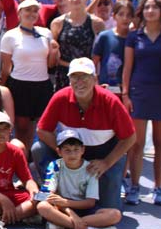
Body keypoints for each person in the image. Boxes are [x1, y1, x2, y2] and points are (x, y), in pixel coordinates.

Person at [35, 57, 137, 213]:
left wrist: (106, 162)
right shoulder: (60, 97)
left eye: (85, 77)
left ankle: (78, 212)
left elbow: (130, 137)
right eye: (75, 77)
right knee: (38, 149)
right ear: (69, 80)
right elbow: (42, 130)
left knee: (111, 211)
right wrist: (62, 150)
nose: (79, 81)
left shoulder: (111, 101)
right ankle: (53, 192)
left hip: (103, 155)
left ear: (94, 79)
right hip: (71, 151)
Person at [121, 0, 161, 206]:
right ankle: (134, 187)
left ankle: (158, 188)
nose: (150, 11)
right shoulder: (134, 36)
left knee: (160, 143)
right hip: (139, 93)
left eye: (154, 7)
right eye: (146, 7)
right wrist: (126, 94)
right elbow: (127, 68)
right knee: (136, 144)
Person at [36, 129, 122, 229]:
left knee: (115, 214)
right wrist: (70, 211)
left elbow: (90, 203)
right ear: (59, 151)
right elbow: (48, 196)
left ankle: (62, 226)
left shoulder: (90, 169)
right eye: (67, 150)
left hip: (84, 209)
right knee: (42, 206)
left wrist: (67, 204)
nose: (72, 154)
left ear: (83, 150)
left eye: (76, 150)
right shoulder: (55, 166)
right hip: (62, 209)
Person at [0, 0, 58, 151]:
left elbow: (51, 64)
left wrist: (55, 51)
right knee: (21, 129)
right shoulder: (10, 36)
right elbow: (6, 68)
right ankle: (21, 162)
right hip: (19, 86)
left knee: (42, 128)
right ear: (19, 13)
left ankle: (32, 162)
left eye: (34, 10)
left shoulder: (46, 33)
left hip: (42, 86)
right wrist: (3, 89)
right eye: (27, 10)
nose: (31, 13)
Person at [50, 0, 106, 90]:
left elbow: (103, 54)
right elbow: (52, 57)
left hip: (86, 76)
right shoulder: (57, 23)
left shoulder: (97, 23)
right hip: (64, 76)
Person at [92, 0, 134, 97]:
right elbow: (94, 63)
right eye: (121, 14)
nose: (125, 18)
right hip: (107, 89)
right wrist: (97, 85)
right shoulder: (105, 37)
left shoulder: (135, 39)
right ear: (114, 16)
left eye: (128, 15)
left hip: (129, 91)